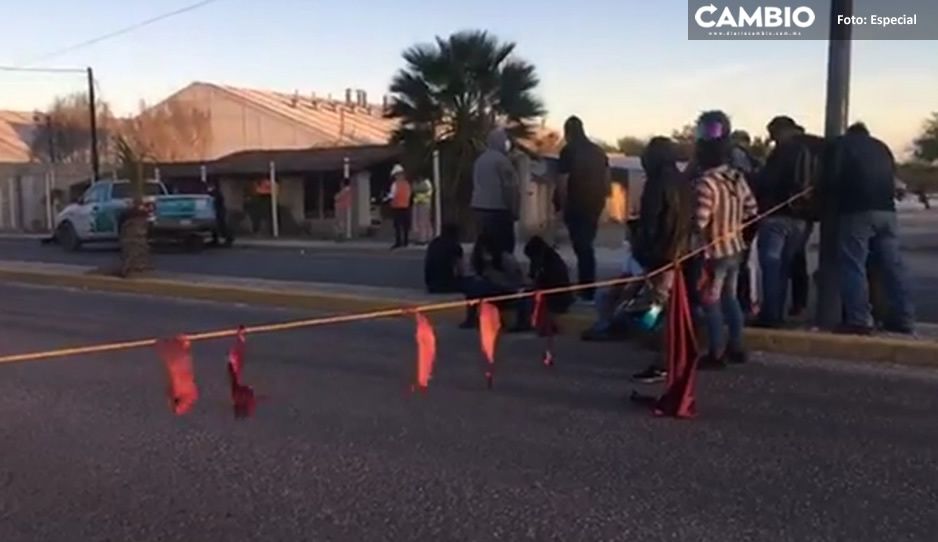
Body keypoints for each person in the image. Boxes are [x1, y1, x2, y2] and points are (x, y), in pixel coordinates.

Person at [826, 122, 915, 335]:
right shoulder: (882, 147)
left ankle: (859, 319)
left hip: (857, 210)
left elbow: (831, 178)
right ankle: (904, 318)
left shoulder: (841, 145)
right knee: (892, 266)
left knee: (853, 264)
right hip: (887, 211)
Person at [692, 111, 758, 369]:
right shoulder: (737, 177)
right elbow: (752, 210)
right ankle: (736, 347)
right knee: (730, 299)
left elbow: (700, 220)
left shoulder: (706, 183)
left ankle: (716, 353)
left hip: (714, 253)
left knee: (710, 300)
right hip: (736, 249)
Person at [629, 137, 694, 383]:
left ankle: (663, 362)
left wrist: (641, 249)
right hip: (678, 253)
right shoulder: (682, 181)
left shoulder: (657, 183)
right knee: (666, 307)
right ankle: (670, 356)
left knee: (656, 308)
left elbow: (650, 223)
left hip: (660, 255)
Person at [753, 116, 820, 327]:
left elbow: (767, 181)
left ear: (782, 130)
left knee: (772, 266)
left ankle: (771, 315)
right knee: (785, 266)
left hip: (777, 214)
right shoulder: (816, 147)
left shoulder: (785, 151)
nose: (773, 140)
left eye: (774, 134)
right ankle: (785, 310)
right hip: (804, 219)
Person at [556, 116, 610, 302]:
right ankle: (586, 285)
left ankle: (587, 287)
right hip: (595, 203)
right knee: (585, 244)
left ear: (567, 132)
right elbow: (607, 180)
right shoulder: (598, 151)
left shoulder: (568, 151)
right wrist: (605, 205)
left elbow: (563, 181)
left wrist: (562, 206)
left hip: (576, 203)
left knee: (582, 246)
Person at [459, 231, 531, 332]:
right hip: (489, 288)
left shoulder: (505, 258)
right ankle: (471, 319)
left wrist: (495, 275)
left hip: (506, 288)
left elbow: (516, 279)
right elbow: (472, 272)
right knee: (472, 287)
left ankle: (520, 323)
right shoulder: (477, 259)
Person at [471, 128, 520, 254]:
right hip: (498, 211)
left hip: (478, 209)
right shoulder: (502, 161)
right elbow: (509, 188)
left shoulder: (479, 160)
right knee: (503, 250)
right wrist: (513, 209)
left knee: (484, 249)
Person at [523, 235, 574, 316]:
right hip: (556, 297)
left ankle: (525, 322)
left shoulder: (550, 263)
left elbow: (544, 282)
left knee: (526, 298)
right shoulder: (549, 257)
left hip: (556, 300)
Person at [424, 223, 465, 294]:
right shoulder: (455, 246)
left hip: (431, 285)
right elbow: (460, 269)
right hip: (447, 285)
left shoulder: (434, 243)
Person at [386, 164, 412, 249]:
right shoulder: (407, 184)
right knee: (405, 226)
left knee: (398, 226)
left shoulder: (395, 184)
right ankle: (405, 242)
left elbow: (392, 195)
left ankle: (398, 242)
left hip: (397, 206)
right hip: (406, 206)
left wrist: (386, 198)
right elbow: (409, 194)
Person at [208, 179, 233, 247]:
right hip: (215, 212)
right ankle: (215, 240)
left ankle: (229, 239)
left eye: (211, 185)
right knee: (215, 227)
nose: (210, 187)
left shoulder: (216, 193)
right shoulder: (214, 192)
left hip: (220, 211)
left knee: (222, 226)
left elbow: (217, 201)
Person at [412, 177, 434, 244]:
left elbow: (430, 191)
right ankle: (419, 237)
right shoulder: (414, 183)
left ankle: (425, 238)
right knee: (417, 220)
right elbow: (413, 191)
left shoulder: (427, 182)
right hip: (417, 202)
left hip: (425, 202)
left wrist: (423, 197)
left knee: (424, 220)